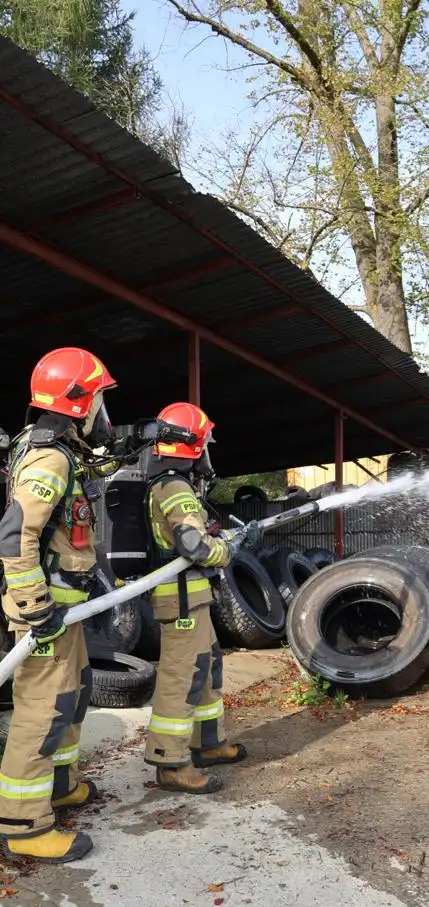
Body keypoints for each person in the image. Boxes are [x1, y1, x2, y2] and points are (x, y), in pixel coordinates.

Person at [0, 347, 118, 864]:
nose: (101, 414)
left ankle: (61, 785)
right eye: (97, 401)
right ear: (78, 403)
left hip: (64, 609)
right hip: (43, 614)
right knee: (41, 713)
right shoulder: (50, 457)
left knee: (71, 698)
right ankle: (24, 824)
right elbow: (14, 534)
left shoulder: (60, 450)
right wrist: (33, 605)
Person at [144, 401, 262, 794]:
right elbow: (194, 546)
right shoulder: (173, 487)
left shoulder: (175, 485)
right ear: (192, 446)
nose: (209, 450)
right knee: (183, 677)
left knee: (207, 669)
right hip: (180, 601)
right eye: (205, 442)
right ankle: (171, 763)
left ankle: (208, 744)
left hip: (193, 598)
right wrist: (227, 551)